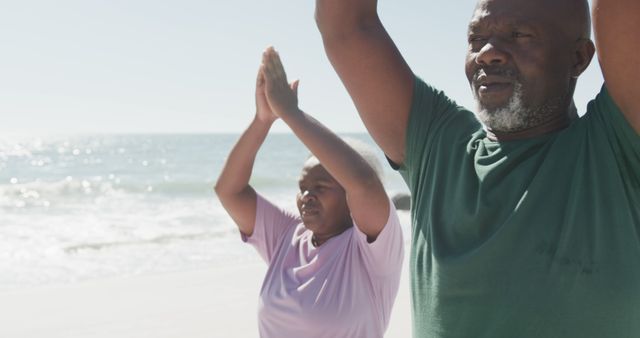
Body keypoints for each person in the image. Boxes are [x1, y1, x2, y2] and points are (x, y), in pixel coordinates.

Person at [315, 0, 640, 337]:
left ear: (578, 58)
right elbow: (346, 26)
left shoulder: (616, 147)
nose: (487, 53)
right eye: (475, 38)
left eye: (519, 35)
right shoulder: (436, 145)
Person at [214, 47, 404, 338]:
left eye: (321, 187)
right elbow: (229, 191)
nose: (307, 196)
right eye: (303, 188)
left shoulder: (373, 252)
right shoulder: (287, 237)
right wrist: (263, 120)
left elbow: (364, 184)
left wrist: (292, 114)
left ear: (349, 197)